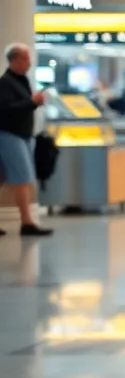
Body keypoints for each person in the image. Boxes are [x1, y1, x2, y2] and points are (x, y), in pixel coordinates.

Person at [0, 44, 52, 236]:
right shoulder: (6, 83)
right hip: (10, 135)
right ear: (14, 60)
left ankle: (27, 221)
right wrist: (31, 102)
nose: (29, 63)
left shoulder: (21, 81)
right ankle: (27, 222)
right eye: (25, 58)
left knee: (3, 177)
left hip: (22, 135)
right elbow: (7, 108)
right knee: (22, 178)